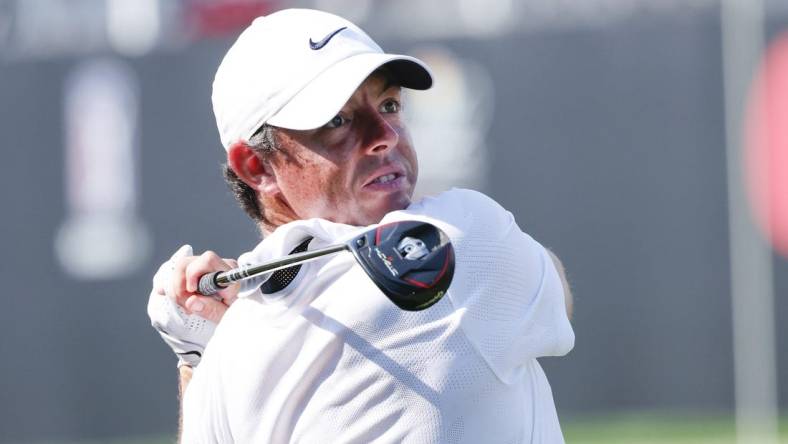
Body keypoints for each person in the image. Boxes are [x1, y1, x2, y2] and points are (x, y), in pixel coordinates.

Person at [147, 8, 575, 443]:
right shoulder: (462, 237)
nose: (384, 133)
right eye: (337, 120)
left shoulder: (233, 346)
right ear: (256, 166)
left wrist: (196, 357)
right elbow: (553, 289)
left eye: (389, 104)